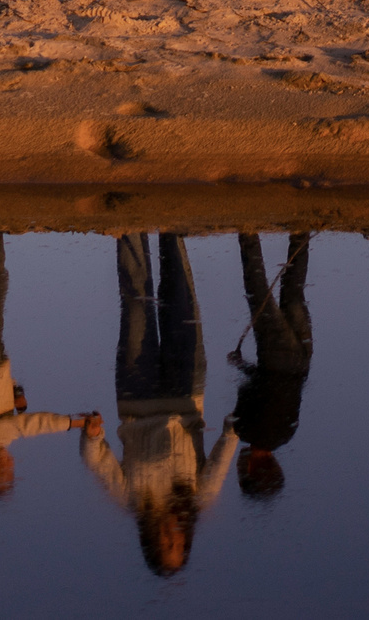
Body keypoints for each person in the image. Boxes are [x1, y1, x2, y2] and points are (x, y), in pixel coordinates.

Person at [83, 233, 239, 575]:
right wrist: (237, 423)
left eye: (164, 545)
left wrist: (93, 436)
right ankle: (170, 226)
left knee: (137, 303)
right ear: (187, 538)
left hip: (136, 394)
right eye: (178, 544)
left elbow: (96, 460)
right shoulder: (201, 498)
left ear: (150, 539)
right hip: (186, 392)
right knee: (181, 301)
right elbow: (226, 446)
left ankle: (129, 228)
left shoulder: (131, 499)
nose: (172, 536)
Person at [0, 231, 94, 499]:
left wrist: (74, 424)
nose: (12, 465)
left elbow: (29, 425)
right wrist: (16, 392)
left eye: (6, 474)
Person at [227, 232, 313, 499]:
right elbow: (251, 389)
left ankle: (301, 233)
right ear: (251, 468)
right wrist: (243, 368)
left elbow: (275, 388)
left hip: (302, 360)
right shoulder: (244, 429)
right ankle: (248, 234)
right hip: (275, 357)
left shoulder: (287, 433)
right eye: (241, 471)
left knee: (294, 293)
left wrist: (245, 366)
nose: (237, 467)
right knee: (258, 293)